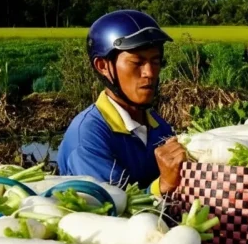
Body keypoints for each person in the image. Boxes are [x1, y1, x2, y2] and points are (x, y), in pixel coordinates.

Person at [57, 10, 186, 197]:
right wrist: (163, 185)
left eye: (155, 61)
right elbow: (111, 207)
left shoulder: (159, 126)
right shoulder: (87, 137)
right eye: (137, 62)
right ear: (102, 66)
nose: (149, 72)